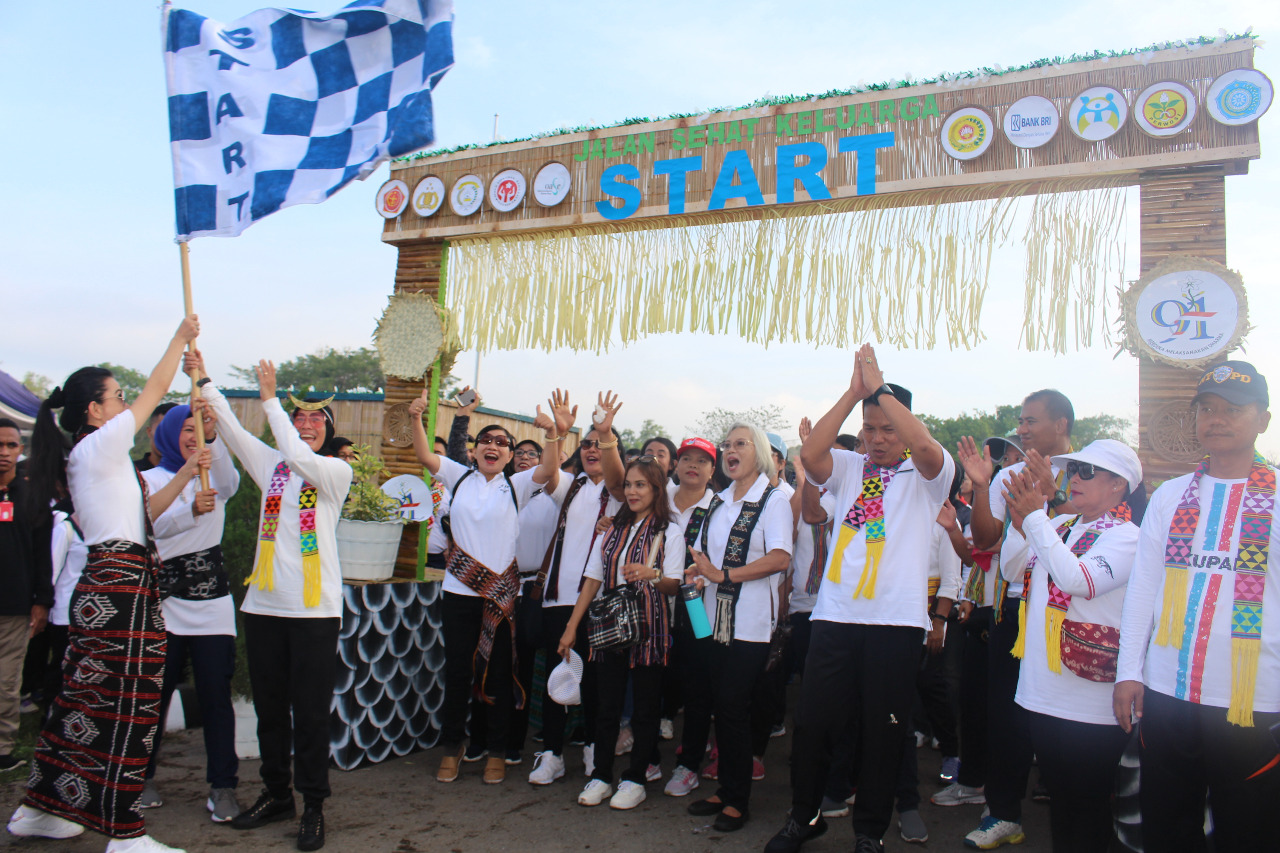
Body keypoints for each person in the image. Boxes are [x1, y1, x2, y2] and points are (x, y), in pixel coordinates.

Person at [9, 315, 199, 853]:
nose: (125, 404)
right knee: (129, 703)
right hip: (119, 587)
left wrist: (185, 477)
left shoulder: (99, 458)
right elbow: (158, 389)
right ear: (94, 410)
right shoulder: (98, 447)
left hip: (113, 579)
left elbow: (145, 516)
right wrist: (179, 339)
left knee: (83, 699)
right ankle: (125, 832)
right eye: (117, 397)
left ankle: (38, 812)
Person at [766, 344, 953, 853]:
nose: (876, 439)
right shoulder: (851, 466)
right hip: (836, 617)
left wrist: (883, 391)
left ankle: (869, 831)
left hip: (896, 625)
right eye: (869, 429)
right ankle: (802, 819)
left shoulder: (929, 475)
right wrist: (855, 392)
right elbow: (809, 456)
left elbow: (927, 448)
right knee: (814, 724)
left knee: (883, 732)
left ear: (907, 426)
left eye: (887, 429)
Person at [188, 351, 352, 853]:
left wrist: (271, 403)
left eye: (314, 420)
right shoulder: (273, 469)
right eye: (298, 417)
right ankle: (278, 794)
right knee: (270, 710)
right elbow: (236, 435)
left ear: (327, 433)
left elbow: (297, 455)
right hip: (263, 607)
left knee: (311, 713)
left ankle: (315, 806)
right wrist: (205, 379)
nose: (304, 426)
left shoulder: (330, 473)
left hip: (313, 613)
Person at [1115, 361, 1280, 852]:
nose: (1217, 418)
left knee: (1250, 830)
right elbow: (1144, 588)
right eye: (1207, 408)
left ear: (1263, 421)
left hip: (1253, 701)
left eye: (1233, 409)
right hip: (1168, 693)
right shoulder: (1170, 495)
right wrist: (1129, 672)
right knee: (1168, 826)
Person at [409, 386, 565, 786]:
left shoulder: (517, 486)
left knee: (498, 675)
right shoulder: (459, 477)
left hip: (500, 598)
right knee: (458, 674)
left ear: (511, 456)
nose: (493, 446)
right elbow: (426, 456)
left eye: (503, 443)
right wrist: (415, 417)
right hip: (458, 596)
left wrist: (552, 434)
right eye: (487, 441)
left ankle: (496, 749)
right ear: (476, 449)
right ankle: (452, 747)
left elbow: (548, 470)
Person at [1000, 439, 1143, 852]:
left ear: (1119, 485)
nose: (1073, 479)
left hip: (1090, 700)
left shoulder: (1127, 537)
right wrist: (1026, 518)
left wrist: (1037, 520)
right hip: (1042, 692)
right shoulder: (1060, 525)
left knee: (1088, 806)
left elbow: (1078, 580)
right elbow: (1011, 568)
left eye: (1086, 471)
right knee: (1064, 806)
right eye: (1072, 470)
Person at [955, 389, 1076, 849]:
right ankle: (1003, 813)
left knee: (1062, 720)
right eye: (1021, 422)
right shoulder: (1008, 474)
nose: (1021, 429)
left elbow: (1103, 522)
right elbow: (985, 539)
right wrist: (984, 485)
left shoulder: (1091, 471)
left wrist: (1054, 494)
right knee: (1006, 714)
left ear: (1061, 424)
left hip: (1068, 612)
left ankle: (1076, 813)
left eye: (1031, 421)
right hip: (1013, 609)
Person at [684, 422, 794, 833]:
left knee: (732, 706)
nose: (730, 451)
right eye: (727, 445)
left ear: (760, 453)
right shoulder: (717, 501)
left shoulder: (774, 500)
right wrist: (702, 572)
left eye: (741, 444)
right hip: (711, 618)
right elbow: (706, 558)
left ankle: (738, 799)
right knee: (720, 706)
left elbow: (781, 558)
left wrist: (723, 574)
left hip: (749, 624)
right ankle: (728, 789)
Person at [558, 457, 686, 809]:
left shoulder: (669, 531)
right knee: (607, 706)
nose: (631, 491)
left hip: (650, 627)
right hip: (609, 628)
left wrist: (652, 574)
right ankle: (601, 775)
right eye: (628, 484)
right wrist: (571, 627)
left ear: (657, 489)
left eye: (640, 485)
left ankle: (635, 779)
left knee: (645, 709)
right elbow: (593, 579)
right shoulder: (612, 528)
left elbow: (675, 585)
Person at [138, 401, 242, 823]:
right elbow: (143, 524)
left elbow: (231, 482)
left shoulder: (214, 473)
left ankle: (223, 786)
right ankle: (139, 776)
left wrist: (214, 435)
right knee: (153, 697)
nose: (191, 437)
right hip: (162, 603)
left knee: (217, 697)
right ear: (165, 435)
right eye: (184, 430)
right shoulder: (146, 479)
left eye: (197, 431)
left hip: (212, 603)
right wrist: (187, 511)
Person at [527, 394, 626, 787]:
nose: (591, 450)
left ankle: (592, 750)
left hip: (602, 604)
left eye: (598, 443)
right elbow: (549, 472)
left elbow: (617, 480)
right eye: (586, 444)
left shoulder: (623, 491)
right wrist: (555, 433)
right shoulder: (570, 485)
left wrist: (606, 434)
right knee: (558, 677)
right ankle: (552, 753)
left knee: (597, 684)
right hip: (558, 599)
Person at [662, 437, 719, 797]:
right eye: (686, 458)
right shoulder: (657, 500)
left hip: (699, 607)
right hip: (654, 602)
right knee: (656, 681)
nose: (693, 465)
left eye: (702, 460)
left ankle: (688, 765)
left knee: (699, 684)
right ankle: (647, 758)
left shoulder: (721, 506)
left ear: (713, 470)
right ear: (676, 465)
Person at [0, 420, 52, 771]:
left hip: (14, 607)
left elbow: (41, 554)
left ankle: (3, 749)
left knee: (6, 681)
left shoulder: (32, 497)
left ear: (21, 451)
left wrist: (41, 601)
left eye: (11, 446)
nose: (4, 453)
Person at [134, 402, 179, 472]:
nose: (168, 437)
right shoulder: (131, 472)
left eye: (175, 431)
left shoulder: (195, 474)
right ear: (149, 432)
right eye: (162, 430)